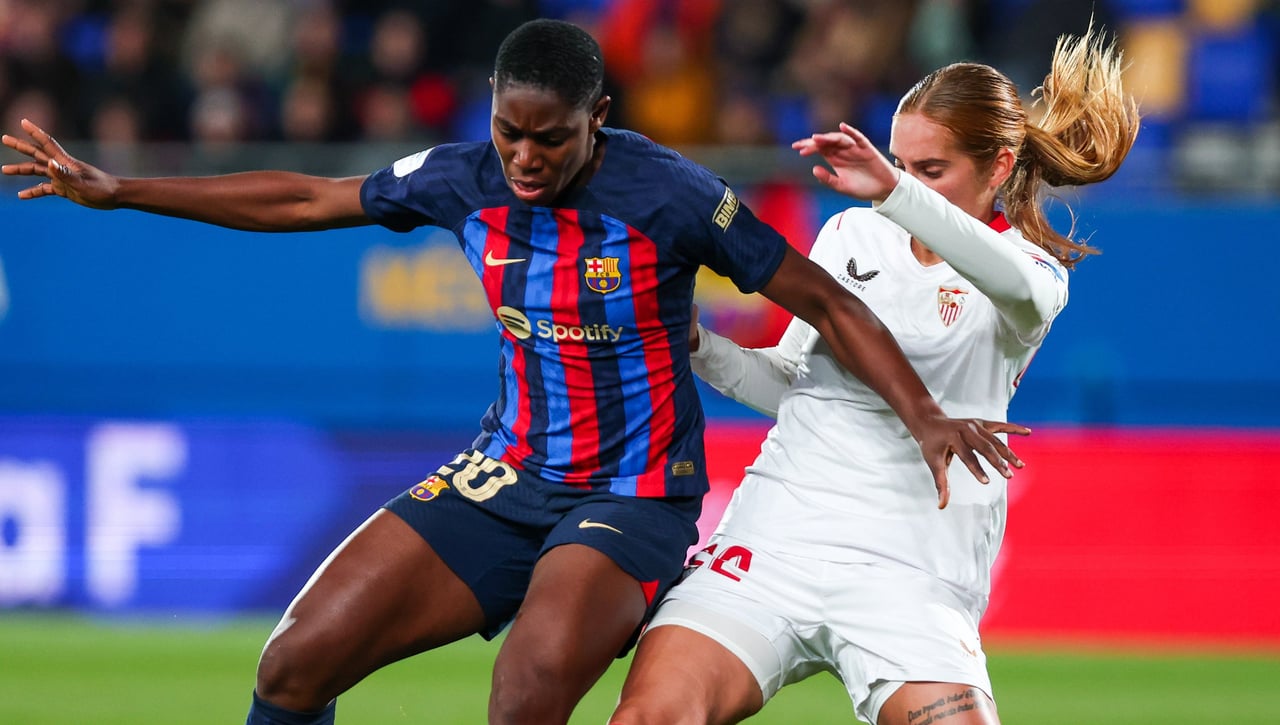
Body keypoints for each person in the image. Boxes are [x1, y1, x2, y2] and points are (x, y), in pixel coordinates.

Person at [2, 19, 1024, 725]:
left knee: (526, 683)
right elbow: (308, 198)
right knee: (293, 659)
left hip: (632, 496)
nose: (525, 158)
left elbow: (825, 298)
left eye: (550, 137)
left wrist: (925, 415)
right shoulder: (462, 178)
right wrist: (121, 187)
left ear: (597, 118)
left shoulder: (668, 192)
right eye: (509, 131)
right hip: (504, 474)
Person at [610, 25, 1139, 725]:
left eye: (932, 169)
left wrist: (893, 189)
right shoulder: (852, 237)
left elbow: (1009, 275)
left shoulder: (1034, 279)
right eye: (900, 162)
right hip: (778, 538)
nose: (906, 184)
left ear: (1000, 167)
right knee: (649, 716)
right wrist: (699, 344)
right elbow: (794, 387)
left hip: (912, 570)